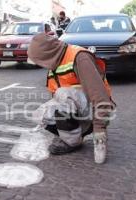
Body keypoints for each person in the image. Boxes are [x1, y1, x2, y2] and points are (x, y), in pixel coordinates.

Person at [27, 33, 115, 164]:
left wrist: (99, 131)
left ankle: (72, 142)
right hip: (77, 108)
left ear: (47, 55)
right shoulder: (55, 61)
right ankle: (72, 135)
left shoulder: (80, 58)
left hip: (94, 111)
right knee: (40, 115)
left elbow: (100, 97)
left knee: (63, 94)